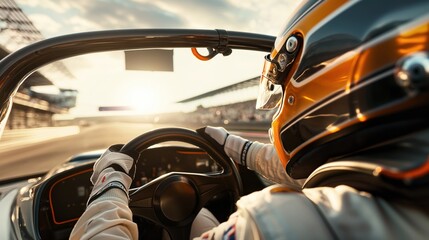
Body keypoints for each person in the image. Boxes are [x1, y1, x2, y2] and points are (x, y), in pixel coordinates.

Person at [71, 0, 429, 239]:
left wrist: (110, 184)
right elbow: (299, 174)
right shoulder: (396, 176)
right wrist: (233, 147)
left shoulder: (283, 224)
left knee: (201, 220)